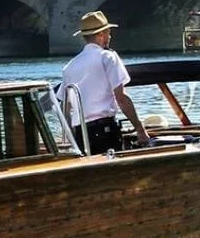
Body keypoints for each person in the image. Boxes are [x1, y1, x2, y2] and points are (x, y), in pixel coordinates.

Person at [61, 11, 151, 154]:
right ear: (101, 34)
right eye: (108, 32)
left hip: (80, 134)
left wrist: (69, 141)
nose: (110, 36)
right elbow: (121, 98)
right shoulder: (108, 57)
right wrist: (140, 130)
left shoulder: (69, 66)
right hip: (105, 132)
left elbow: (65, 108)